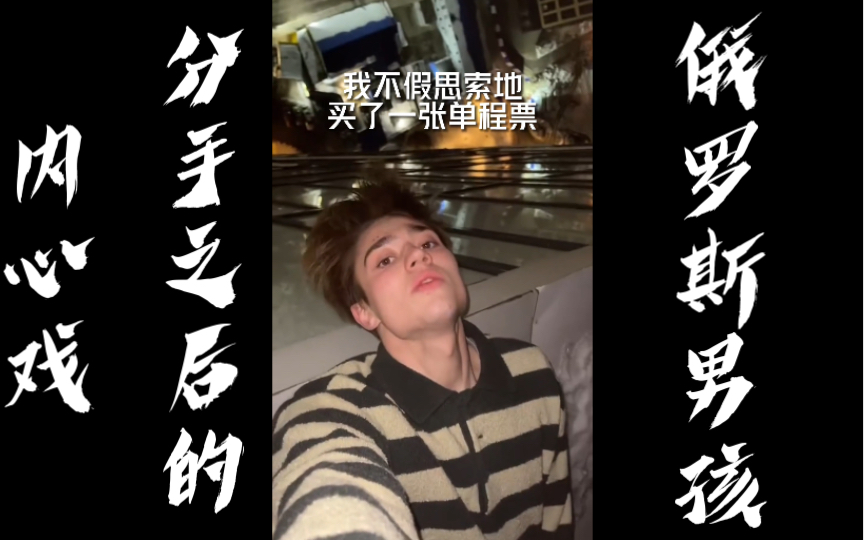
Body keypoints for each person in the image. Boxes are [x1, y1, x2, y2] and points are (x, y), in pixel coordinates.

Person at [272, 175, 573, 540]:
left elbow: (556, 522)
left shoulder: (532, 370)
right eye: (385, 259)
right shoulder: (333, 411)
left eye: (428, 242)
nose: (419, 254)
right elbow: (324, 487)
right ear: (365, 311)